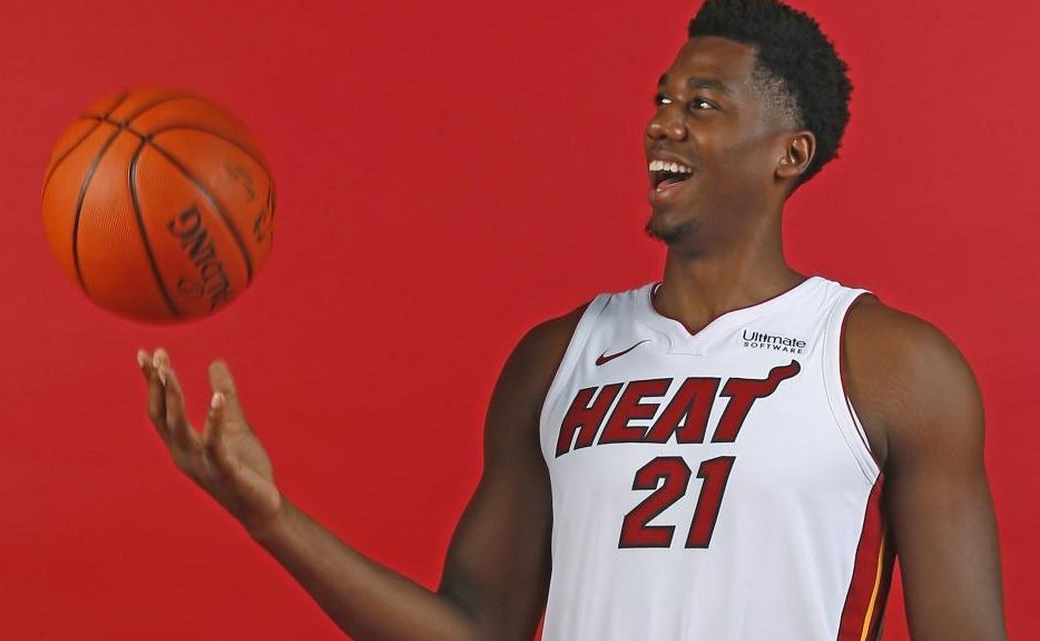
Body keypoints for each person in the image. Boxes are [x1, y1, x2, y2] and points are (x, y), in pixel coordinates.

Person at [136, 0, 1008, 638]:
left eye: (702, 104)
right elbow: (476, 630)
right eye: (662, 99)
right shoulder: (560, 360)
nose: (662, 121)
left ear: (790, 153)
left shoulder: (887, 364)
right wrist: (271, 517)